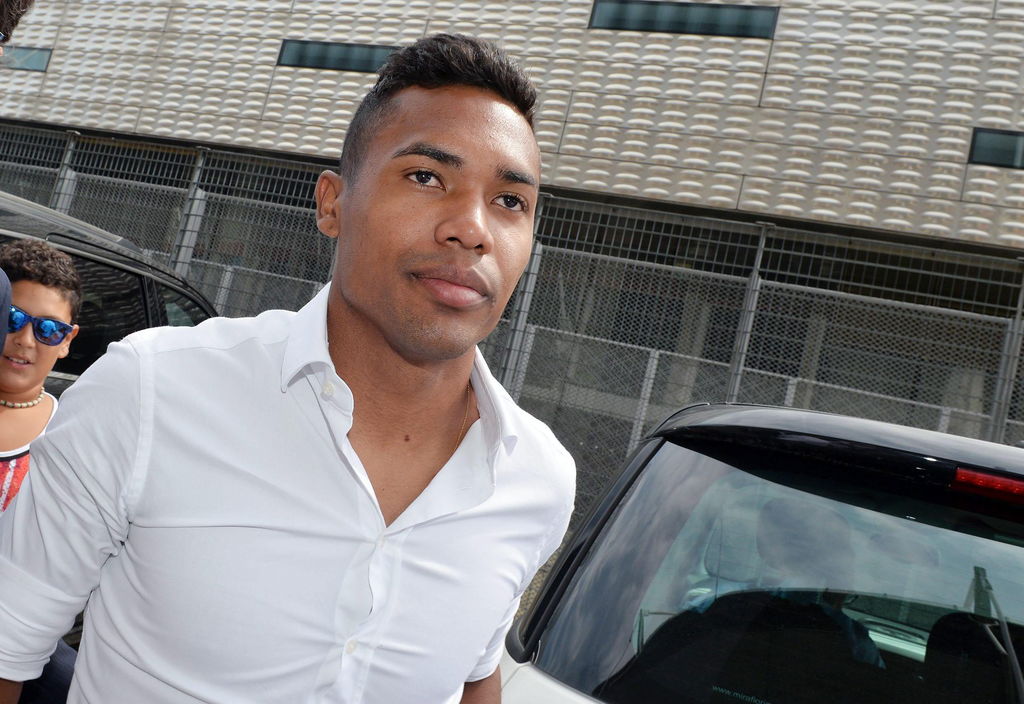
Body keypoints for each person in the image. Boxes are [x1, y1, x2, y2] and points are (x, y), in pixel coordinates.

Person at [0, 33, 575, 704]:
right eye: (426, 177)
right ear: (332, 203)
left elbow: (475, 676)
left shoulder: (538, 480)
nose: (471, 228)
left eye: (510, 201)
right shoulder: (150, 393)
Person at [0, 240, 81, 704]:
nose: (26, 340)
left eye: (49, 329)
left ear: (68, 340)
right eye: (13, 319)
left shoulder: (71, 437)